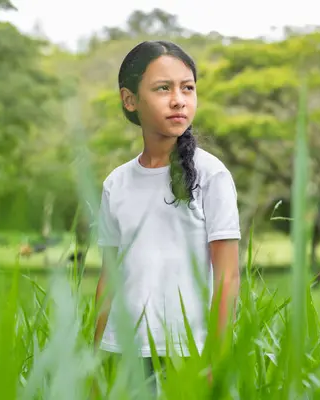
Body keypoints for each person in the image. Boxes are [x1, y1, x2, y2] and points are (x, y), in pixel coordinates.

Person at [93, 40, 241, 389]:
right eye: (163, 88)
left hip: (188, 352)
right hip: (123, 349)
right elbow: (108, 279)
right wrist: (94, 355)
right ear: (130, 100)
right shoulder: (116, 183)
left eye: (187, 88)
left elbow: (228, 277)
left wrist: (217, 358)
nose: (178, 99)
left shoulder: (211, 175)